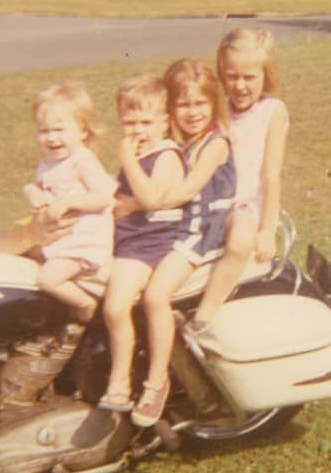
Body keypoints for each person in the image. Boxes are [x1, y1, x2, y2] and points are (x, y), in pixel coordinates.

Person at [115, 58, 235, 426]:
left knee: (154, 296)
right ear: (170, 111)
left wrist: (135, 203)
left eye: (201, 103)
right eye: (184, 104)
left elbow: (183, 192)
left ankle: (156, 383)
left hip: (200, 236)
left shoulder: (215, 144)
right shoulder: (182, 144)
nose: (193, 112)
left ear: (214, 103)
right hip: (180, 232)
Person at [185, 27, 289, 341]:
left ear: (265, 75)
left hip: (242, 204)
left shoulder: (272, 112)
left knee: (240, 242)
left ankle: (204, 315)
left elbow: (271, 175)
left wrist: (267, 229)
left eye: (249, 77)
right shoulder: (216, 107)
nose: (240, 86)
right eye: (231, 77)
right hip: (208, 199)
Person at [98, 74, 186, 420]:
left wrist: (127, 159)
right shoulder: (140, 154)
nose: (137, 130)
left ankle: (132, 382)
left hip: (149, 245)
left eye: (146, 122)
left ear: (164, 123)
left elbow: (149, 199)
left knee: (116, 306)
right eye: (129, 122)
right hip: (125, 240)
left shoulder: (165, 155)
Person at [22, 82, 116, 323]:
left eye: (60, 130)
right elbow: (39, 185)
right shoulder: (49, 163)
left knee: (47, 279)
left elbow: (104, 196)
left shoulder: (82, 160)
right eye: (44, 131)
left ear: (83, 131)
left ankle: (85, 304)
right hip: (60, 239)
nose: (52, 138)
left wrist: (69, 201)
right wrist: (32, 191)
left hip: (83, 242)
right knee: (21, 256)